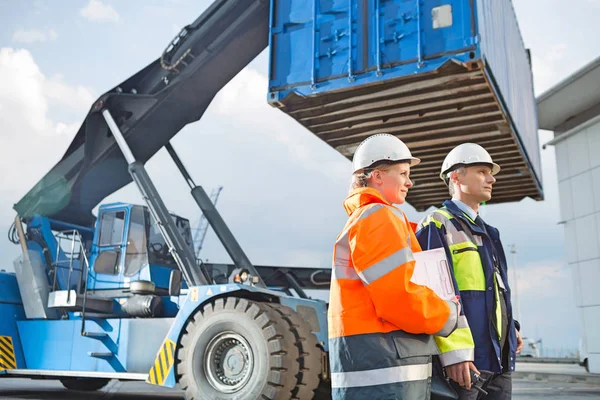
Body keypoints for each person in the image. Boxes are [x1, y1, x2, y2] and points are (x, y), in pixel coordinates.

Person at [328, 133, 460, 400]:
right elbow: (399, 297)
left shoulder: (363, 219)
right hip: (388, 369)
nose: (409, 182)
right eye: (402, 173)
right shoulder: (379, 217)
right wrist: (448, 314)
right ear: (378, 175)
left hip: (374, 366)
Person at [415, 143, 525, 399]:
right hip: (464, 364)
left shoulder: (490, 232)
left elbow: (497, 291)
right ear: (456, 176)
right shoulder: (436, 224)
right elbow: (434, 294)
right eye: (482, 171)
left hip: (498, 360)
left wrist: (511, 328)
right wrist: (453, 355)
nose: (492, 178)